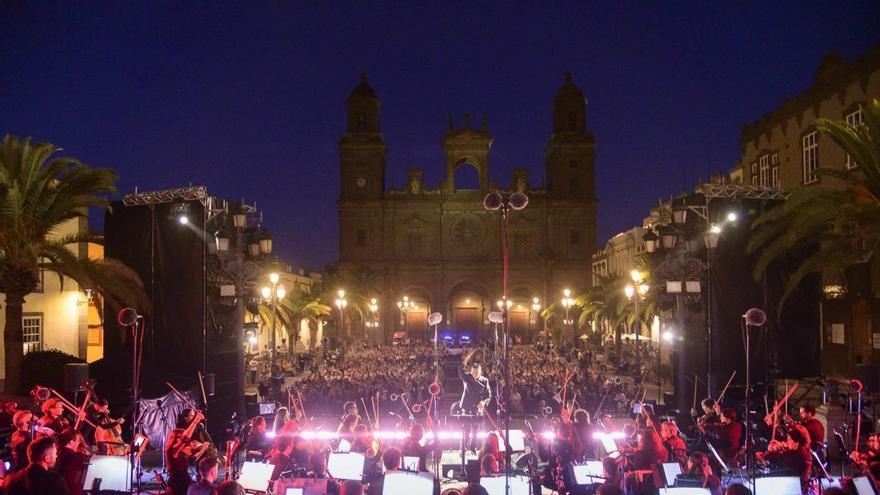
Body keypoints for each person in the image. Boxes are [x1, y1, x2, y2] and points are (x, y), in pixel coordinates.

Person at [4, 436, 69, 494]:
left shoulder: (11, 480)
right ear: (47, 458)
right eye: (55, 453)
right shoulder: (55, 481)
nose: (56, 456)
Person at [458, 349, 491, 453]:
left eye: (478, 371)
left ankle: (473, 447)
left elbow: (489, 395)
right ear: (471, 371)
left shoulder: (485, 381)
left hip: (478, 408)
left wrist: (484, 402)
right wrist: (466, 359)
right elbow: (460, 369)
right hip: (467, 406)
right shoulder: (467, 377)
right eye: (474, 371)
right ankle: (462, 447)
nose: (476, 373)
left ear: (481, 371)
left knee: (476, 430)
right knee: (466, 429)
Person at [56, 429, 91, 495]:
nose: (78, 445)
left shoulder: (55, 453)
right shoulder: (75, 457)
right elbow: (92, 459)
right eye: (77, 442)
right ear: (71, 442)